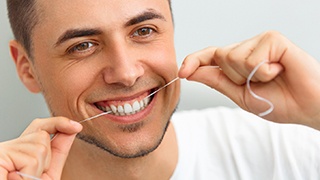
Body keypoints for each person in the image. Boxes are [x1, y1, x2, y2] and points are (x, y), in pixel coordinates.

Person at [1, 0, 320, 179]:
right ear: (26, 68)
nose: (126, 73)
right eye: (83, 45)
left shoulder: (283, 149)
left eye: (143, 31)